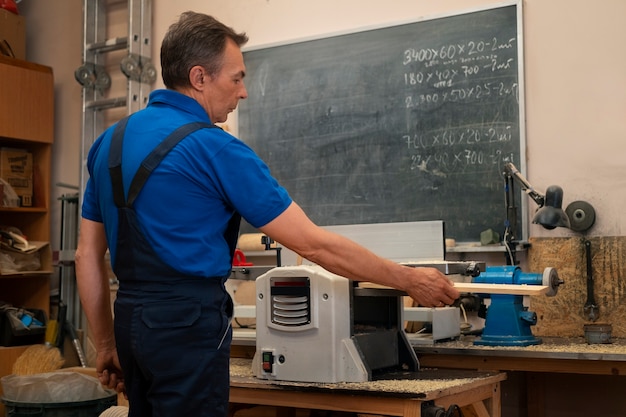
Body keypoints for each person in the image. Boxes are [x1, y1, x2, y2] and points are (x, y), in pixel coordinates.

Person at [75, 11, 460, 417]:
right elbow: (313, 245)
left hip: (130, 320)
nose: (243, 92)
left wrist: (105, 345)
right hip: (186, 325)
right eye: (236, 77)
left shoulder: (108, 143)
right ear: (200, 77)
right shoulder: (215, 148)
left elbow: (87, 256)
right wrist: (409, 278)